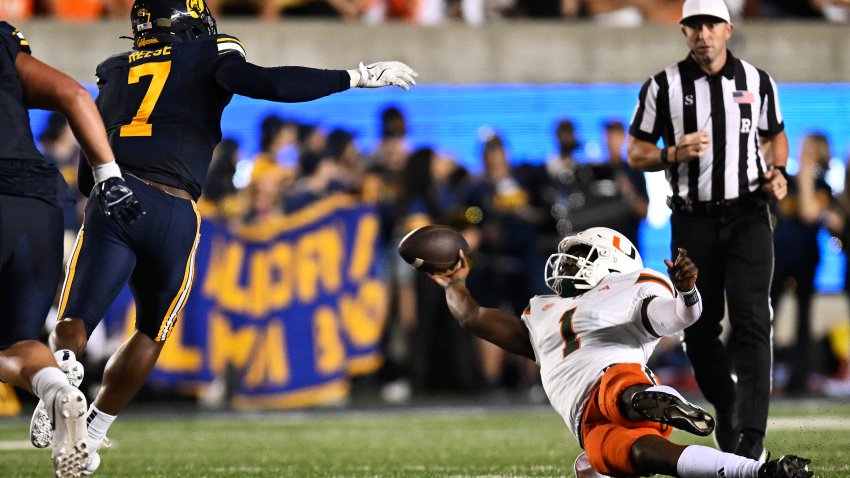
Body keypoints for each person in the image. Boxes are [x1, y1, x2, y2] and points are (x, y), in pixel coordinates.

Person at [27, 0, 417, 474]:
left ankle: (60, 378)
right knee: (151, 330)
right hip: (174, 208)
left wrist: (96, 190)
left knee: (75, 320)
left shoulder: (113, 70)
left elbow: (95, 144)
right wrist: (354, 77)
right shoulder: (208, 50)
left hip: (117, 197)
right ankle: (92, 434)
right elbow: (268, 83)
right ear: (191, 22)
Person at [429, 226, 811, 478]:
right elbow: (473, 316)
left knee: (617, 389)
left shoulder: (633, 286)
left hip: (613, 377)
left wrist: (688, 292)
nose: (569, 261)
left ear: (613, 263)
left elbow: (680, 316)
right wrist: (454, 283)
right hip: (587, 422)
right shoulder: (540, 312)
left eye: (582, 253)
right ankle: (760, 473)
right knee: (642, 455)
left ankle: (646, 399)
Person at [627, 0, 789, 459]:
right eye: (694, 25)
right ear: (683, 31)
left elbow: (776, 133)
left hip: (749, 215)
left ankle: (751, 439)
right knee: (697, 327)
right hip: (692, 216)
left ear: (728, 29)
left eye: (711, 24)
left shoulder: (757, 82)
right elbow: (635, 152)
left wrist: (779, 170)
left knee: (755, 319)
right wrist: (672, 154)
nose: (703, 34)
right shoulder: (663, 86)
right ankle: (728, 404)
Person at [0, 21, 142, 478]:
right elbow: (75, 94)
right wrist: (109, 176)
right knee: (19, 341)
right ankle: (57, 390)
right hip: (38, 199)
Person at [770, 133, 833, 396]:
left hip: (805, 261)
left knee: (802, 323)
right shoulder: (786, 181)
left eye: (809, 148)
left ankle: (799, 381)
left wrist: (807, 180)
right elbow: (779, 212)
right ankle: (757, 374)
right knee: (766, 317)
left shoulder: (823, 187)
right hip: (778, 260)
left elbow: (809, 214)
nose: (803, 151)